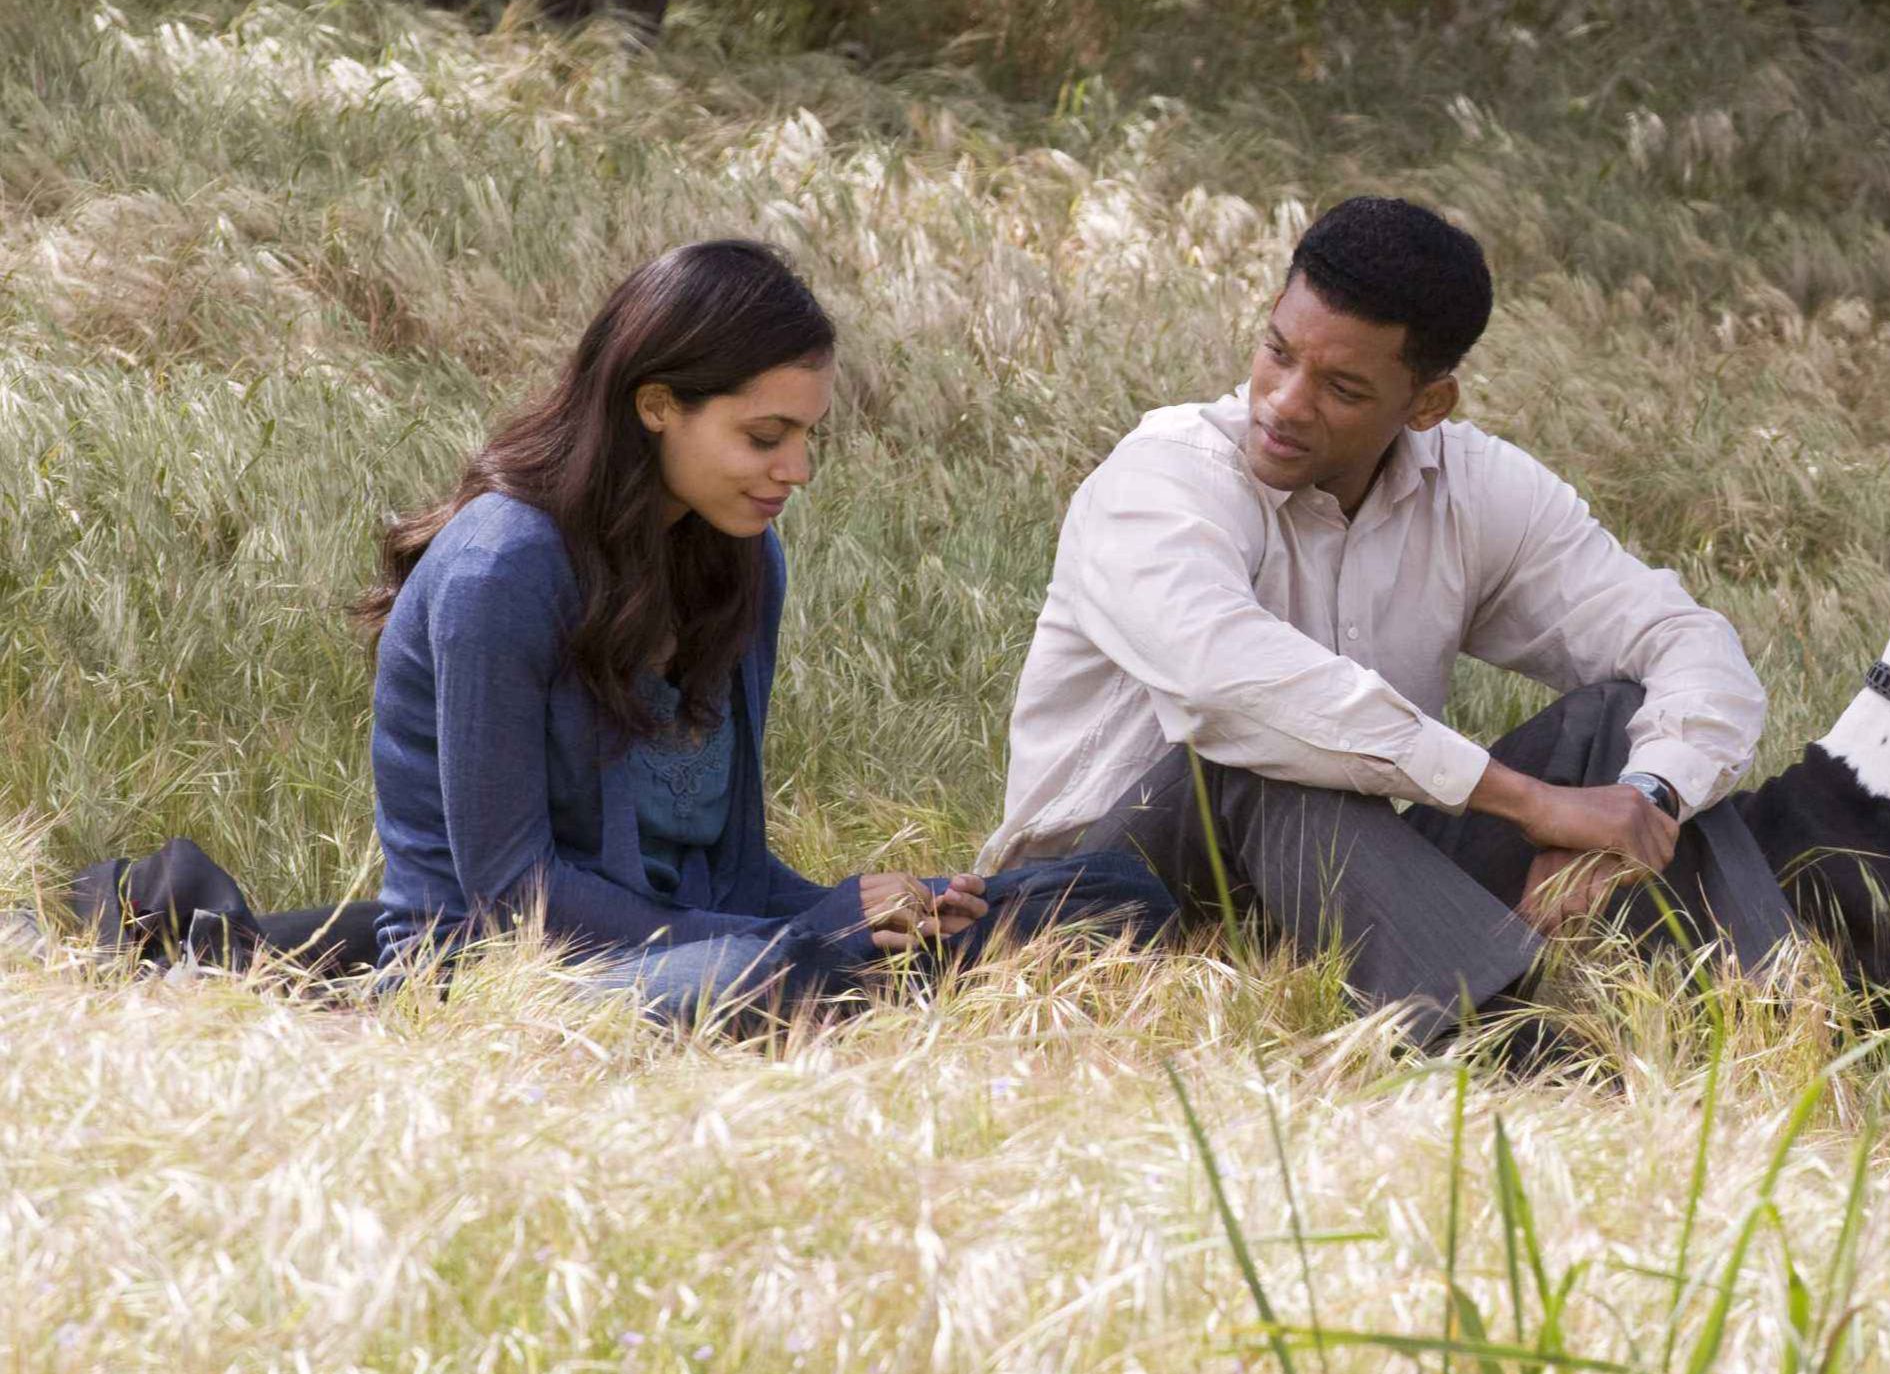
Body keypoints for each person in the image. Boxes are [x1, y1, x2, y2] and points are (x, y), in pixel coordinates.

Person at [981, 197, 1793, 1049]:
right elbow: (1231, 686)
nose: (1285, 402)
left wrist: (1641, 802)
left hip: (1335, 891)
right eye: (1276, 351)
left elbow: (1690, 642)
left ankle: (1773, 1027)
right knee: (1260, 754)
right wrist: (1530, 804)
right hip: (1096, 908)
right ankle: (1509, 1058)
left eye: (1341, 388)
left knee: (1617, 717)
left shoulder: (1475, 488)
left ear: (1428, 402)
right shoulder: (1163, 477)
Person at [343, 238, 1171, 1023]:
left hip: (711, 952)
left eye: (807, 437)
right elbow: (515, 899)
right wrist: (811, 937)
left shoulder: (742, 559)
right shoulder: (503, 567)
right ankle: (860, 987)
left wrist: (878, 909)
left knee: (1109, 894)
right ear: (658, 405)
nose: (798, 470)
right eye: (765, 437)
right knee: (770, 976)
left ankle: (874, 976)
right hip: (495, 982)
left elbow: (732, 870)